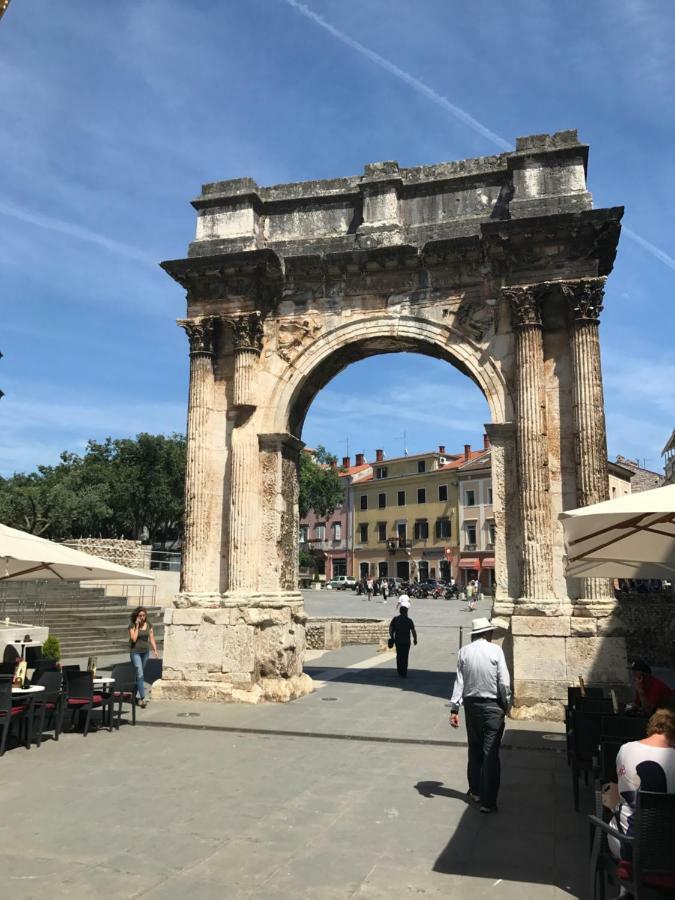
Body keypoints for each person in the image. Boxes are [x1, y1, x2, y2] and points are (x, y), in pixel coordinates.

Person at [449, 617, 511, 813]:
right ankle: (488, 801)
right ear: (487, 633)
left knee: (474, 748)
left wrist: (454, 709)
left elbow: (459, 681)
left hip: (471, 705)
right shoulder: (495, 651)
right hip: (492, 705)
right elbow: (504, 682)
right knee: (490, 752)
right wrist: (506, 703)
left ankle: (475, 790)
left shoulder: (463, 652)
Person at [606, 706, 675, 869]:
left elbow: (613, 797)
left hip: (626, 844)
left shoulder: (626, 749)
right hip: (668, 853)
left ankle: (626, 889)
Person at [128, 606, 158, 708]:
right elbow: (133, 639)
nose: (142, 617)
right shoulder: (132, 625)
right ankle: (143, 698)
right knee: (140, 674)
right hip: (135, 652)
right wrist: (137, 626)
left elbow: (152, 638)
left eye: (144, 615)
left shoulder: (149, 625)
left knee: (139, 675)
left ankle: (133, 695)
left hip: (145, 652)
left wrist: (155, 649)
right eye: (140, 615)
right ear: (137, 616)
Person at [389, 606, 417, 678]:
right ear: (406, 612)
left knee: (399, 656)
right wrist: (415, 639)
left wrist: (392, 636)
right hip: (406, 642)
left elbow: (391, 628)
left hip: (398, 641)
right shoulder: (409, 620)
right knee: (405, 657)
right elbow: (413, 631)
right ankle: (404, 672)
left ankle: (399, 671)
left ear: (400, 611)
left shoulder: (395, 619)